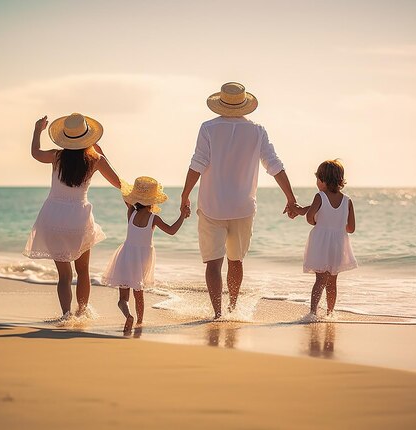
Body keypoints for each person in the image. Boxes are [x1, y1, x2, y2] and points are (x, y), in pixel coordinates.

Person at [180, 82, 306, 319]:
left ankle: (218, 313)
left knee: (213, 264)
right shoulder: (257, 131)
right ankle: (233, 308)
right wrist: (291, 198)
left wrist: (185, 195)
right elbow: (274, 165)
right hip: (243, 207)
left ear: (220, 104)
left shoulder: (208, 128)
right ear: (245, 105)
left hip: (211, 205)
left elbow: (198, 164)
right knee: (236, 261)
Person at [24, 113, 122, 320]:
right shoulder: (95, 159)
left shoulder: (56, 156)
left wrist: (36, 130)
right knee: (83, 271)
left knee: (64, 276)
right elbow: (118, 182)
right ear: (88, 137)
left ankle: (66, 315)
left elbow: (35, 153)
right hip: (78, 218)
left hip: (52, 217)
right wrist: (102, 154)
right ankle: (82, 311)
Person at [102, 176, 190, 332]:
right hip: (141, 259)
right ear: (153, 200)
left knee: (122, 299)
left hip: (125, 256)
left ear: (136, 198)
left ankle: (128, 315)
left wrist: (131, 194)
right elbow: (171, 230)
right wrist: (182, 215)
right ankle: (140, 322)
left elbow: (125, 196)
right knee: (139, 293)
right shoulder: (153, 218)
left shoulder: (131, 212)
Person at [303, 159, 357, 320]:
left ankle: (313, 313)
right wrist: (338, 226)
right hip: (338, 244)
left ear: (322, 180)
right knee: (332, 281)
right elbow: (351, 228)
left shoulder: (319, 196)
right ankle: (330, 313)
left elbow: (309, 216)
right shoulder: (348, 201)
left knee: (320, 279)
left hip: (321, 242)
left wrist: (315, 222)